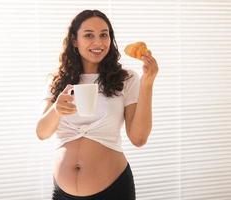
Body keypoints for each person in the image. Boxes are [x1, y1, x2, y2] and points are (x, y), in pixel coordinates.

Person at [36, 9, 158, 200]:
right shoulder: (57, 80)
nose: (98, 42)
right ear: (75, 41)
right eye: (88, 35)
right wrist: (56, 110)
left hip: (113, 191)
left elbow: (138, 138)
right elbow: (41, 133)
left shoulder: (126, 79)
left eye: (104, 35)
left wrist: (148, 83)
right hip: (62, 193)